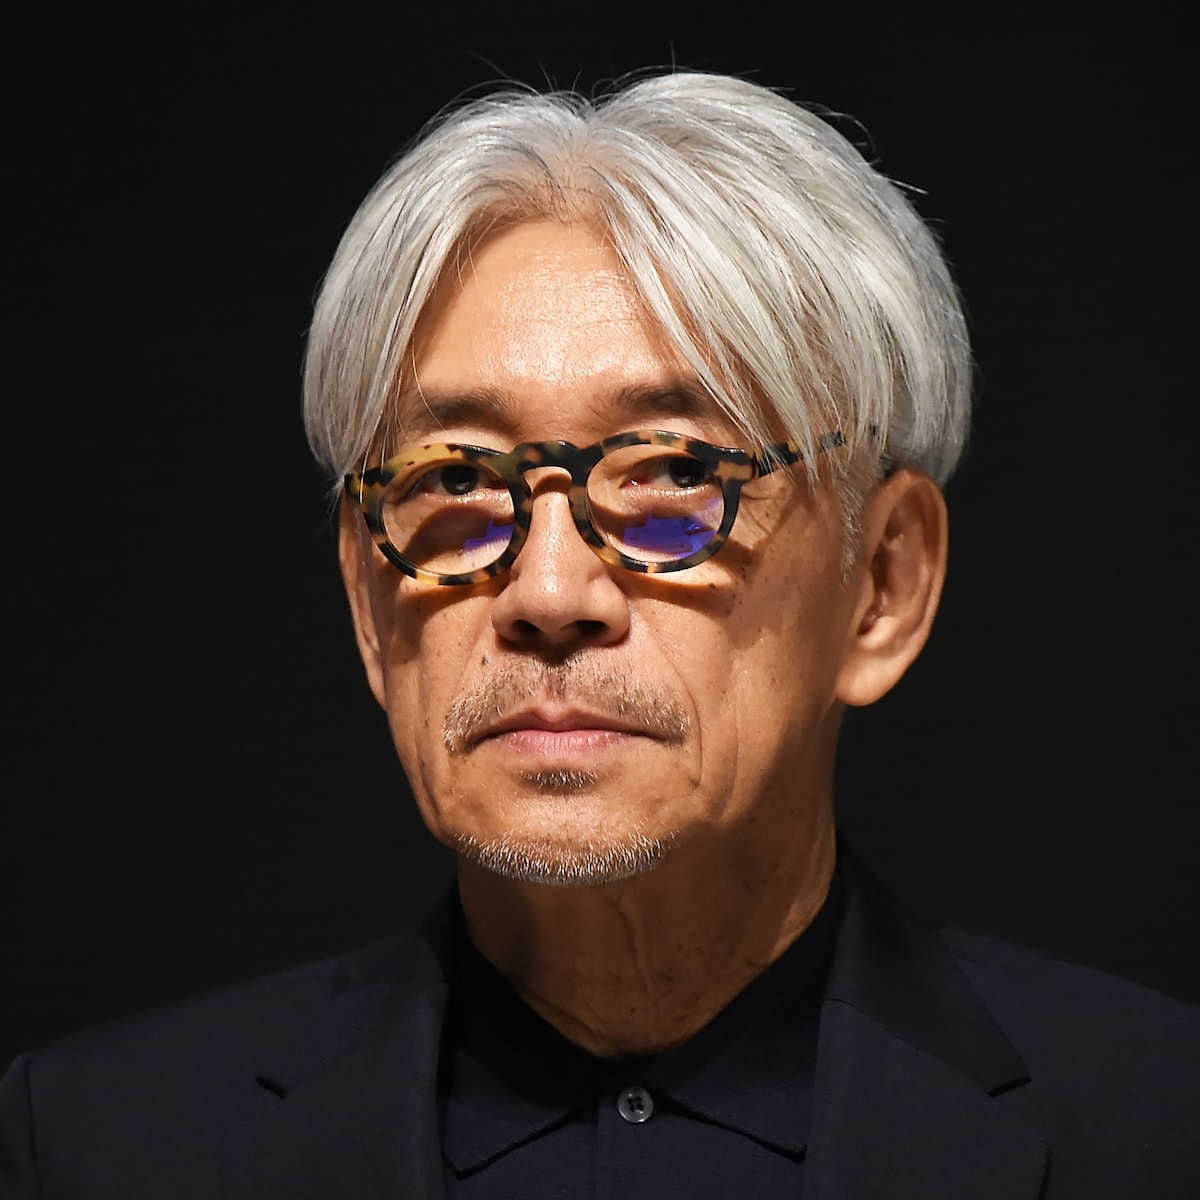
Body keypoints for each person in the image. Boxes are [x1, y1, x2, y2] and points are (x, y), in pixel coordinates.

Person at [2, 71, 1197, 1200]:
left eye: (674, 474)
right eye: (456, 481)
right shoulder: (102, 1148)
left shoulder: (1156, 1124)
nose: (548, 590)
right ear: (370, 604)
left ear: (883, 583)